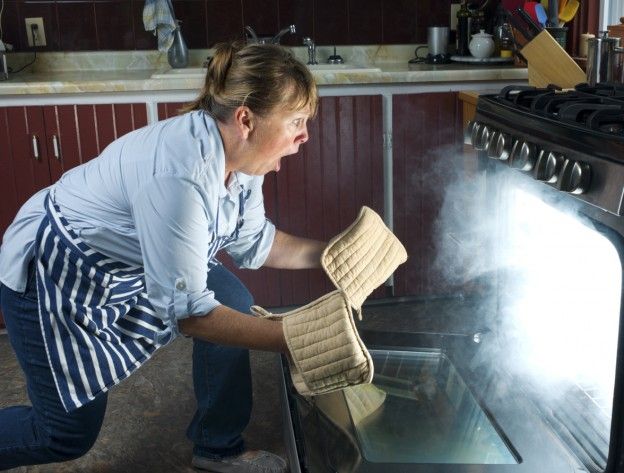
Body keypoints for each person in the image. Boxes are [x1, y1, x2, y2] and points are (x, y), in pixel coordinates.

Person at [0, 41, 325, 472]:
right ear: (246, 119)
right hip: (58, 270)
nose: (304, 135)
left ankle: (218, 449)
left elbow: (256, 242)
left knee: (233, 301)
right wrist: (295, 337)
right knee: (63, 434)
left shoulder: (241, 161)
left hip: (127, 264)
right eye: (297, 121)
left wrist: (334, 254)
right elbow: (191, 314)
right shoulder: (179, 175)